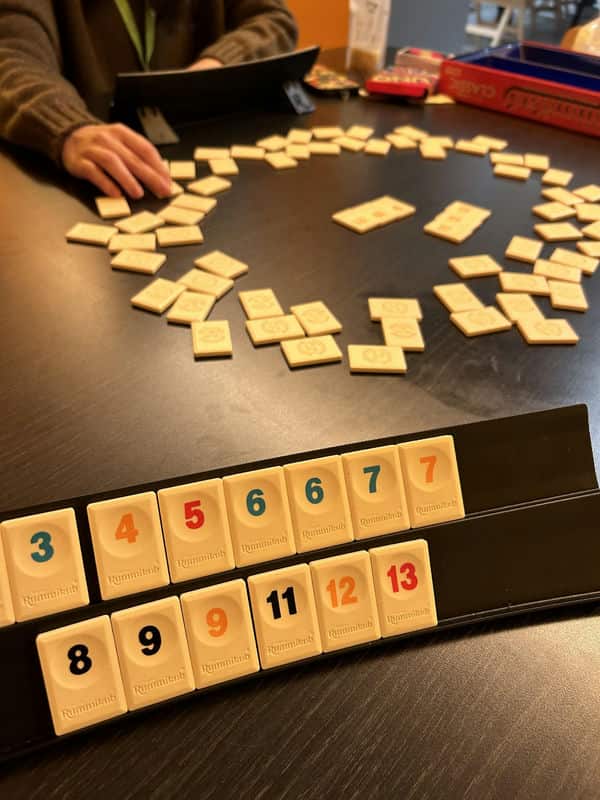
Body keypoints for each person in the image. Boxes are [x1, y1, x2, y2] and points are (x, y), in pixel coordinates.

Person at [0, 1, 298, 198]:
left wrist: (214, 67)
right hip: (81, 191)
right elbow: (12, 57)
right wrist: (66, 126)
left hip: (202, 168)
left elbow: (273, 19)